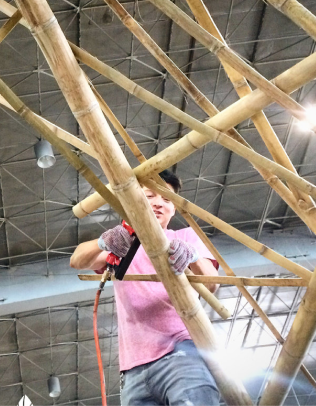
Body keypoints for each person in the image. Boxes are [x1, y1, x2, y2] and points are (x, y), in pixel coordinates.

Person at [70, 170, 220, 406]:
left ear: (174, 208)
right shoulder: (123, 245)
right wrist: (103, 242)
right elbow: (77, 260)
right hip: (133, 369)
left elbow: (211, 283)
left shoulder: (185, 237)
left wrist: (192, 257)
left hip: (181, 352)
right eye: (150, 196)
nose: (158, 203)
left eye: (167, 199)